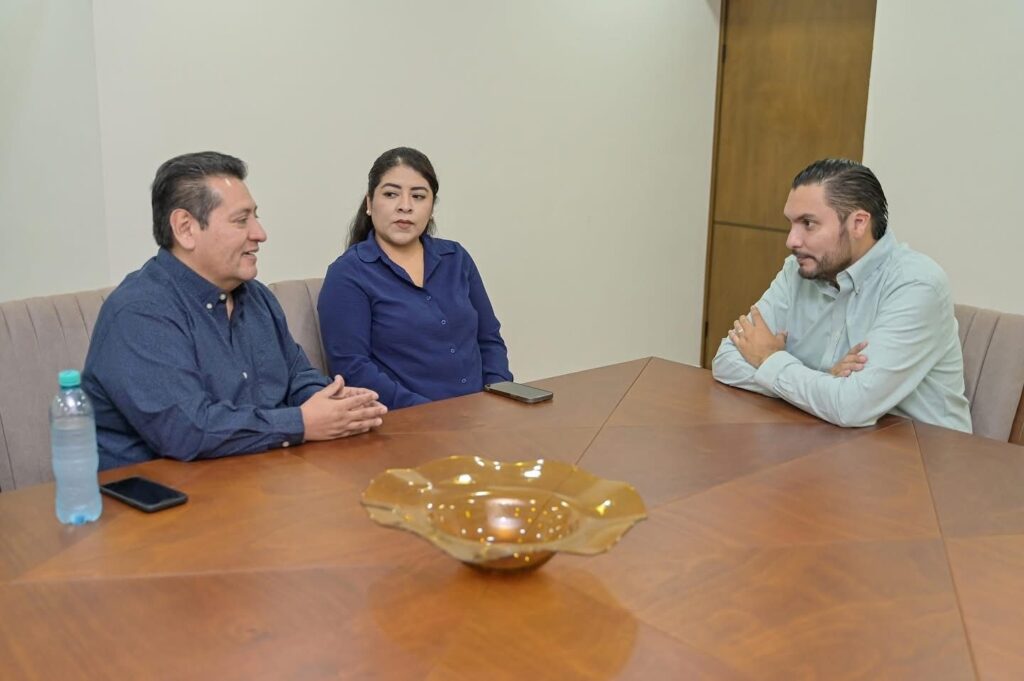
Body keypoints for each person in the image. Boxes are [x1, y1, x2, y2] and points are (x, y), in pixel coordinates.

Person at [83, 151, 387, 470]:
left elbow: (297, 376)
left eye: (255, 217)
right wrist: (302, 422)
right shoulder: (139, 312)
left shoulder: (255, 296)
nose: (260, 233)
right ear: (185, 228)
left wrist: (335, 403)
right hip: (164, 490)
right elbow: (187, 431)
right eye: (242, 220)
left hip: (256, 476)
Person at [711, 158, 972, 432]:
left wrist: (768, 360)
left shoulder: (917, 284)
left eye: (808, 223)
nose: (791, 240)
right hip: (834, 440)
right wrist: (825, 380)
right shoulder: (796, 270)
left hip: (925, 451)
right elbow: (726, 361)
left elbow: (851, 407)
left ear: (858, 224)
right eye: (791, 223)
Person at [318, 147, 512, 409]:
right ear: (369, 203)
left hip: (481, 414)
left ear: (431, 208)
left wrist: (498, 393)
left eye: (418, 196)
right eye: (391, 194)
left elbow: (489, 339)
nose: (405, 206)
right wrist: (429, 413)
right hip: (406, 420)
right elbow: (353, 368)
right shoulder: (348, 274)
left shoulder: (456, 257)